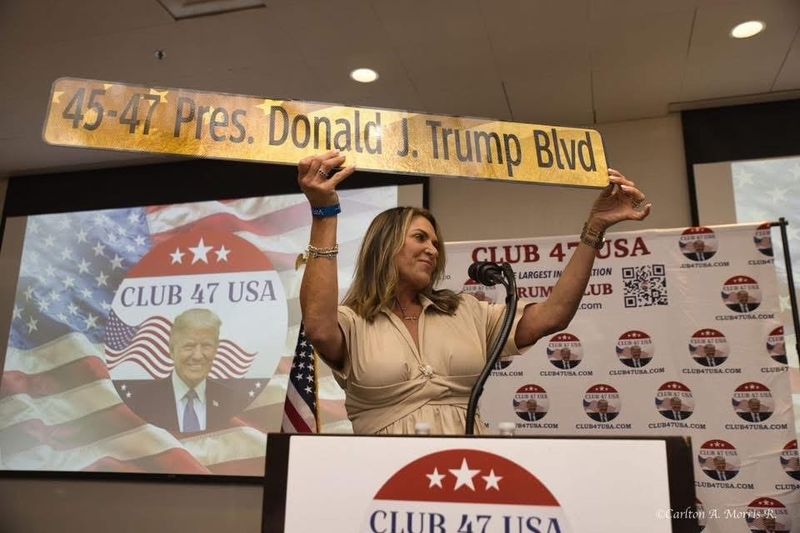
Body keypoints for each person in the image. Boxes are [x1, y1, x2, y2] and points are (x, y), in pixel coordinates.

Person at [298, 149, 651, 434]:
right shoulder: (353, 321)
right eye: (420, 238)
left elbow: (554, 315)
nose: (433, 250)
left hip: (470, 471)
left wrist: (595, 228)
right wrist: (324, 213)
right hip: (388, 481)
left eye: (435, 243)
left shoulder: (466, 311)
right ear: (384, 246)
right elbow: (317, 325)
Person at [124, 308, 242, 433]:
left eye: (206, 346)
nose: (197, 356)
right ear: (172, 350)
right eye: (189, 346)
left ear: (216, 349)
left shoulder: (231, 400)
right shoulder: (143, 400)